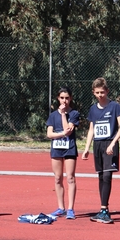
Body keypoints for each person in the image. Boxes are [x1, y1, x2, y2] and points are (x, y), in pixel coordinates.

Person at [81, 77, 120, 224]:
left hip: (109, 144)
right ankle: (102, 210)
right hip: (98, 145)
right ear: (93, 93)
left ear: (107, 91)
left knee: (107, 176)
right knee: (101, 176)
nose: (100, 95)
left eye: (102, 92)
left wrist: (113, 143)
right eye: (97, 92)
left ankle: (105, 210)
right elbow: (91, 129)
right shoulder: (93, 109)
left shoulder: (114, 107)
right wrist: (87, 148)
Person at [46, 87, 80, 219]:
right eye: (62, 98)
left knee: (70, 177)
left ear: (70, 99)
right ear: (58, 98)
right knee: (57, 178)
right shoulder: (52, 115)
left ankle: (70, 209)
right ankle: (61, 207)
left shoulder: (74, 114)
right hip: (56, 149)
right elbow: (49, 134)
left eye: (67, 98)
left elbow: (68, 129)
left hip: (70, 148)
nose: (64, 101)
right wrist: (60, 134)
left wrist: (63, 114)